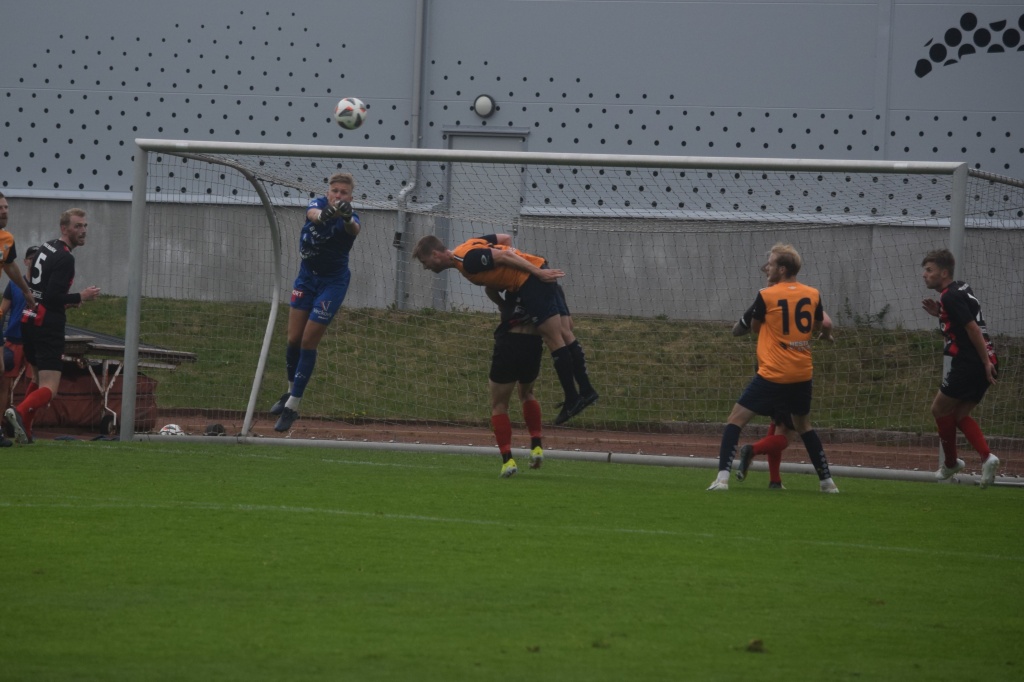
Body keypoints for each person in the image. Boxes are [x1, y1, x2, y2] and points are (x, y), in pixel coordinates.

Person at [413, 233, 598, 425]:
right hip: (537, 271)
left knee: (553, 339)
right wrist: (504, 299)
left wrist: (537, 273)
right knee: (565, 333)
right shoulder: (467, 246)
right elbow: (505, 239)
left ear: (435, 254)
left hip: (533, 280)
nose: (425, 267)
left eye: (424, 262)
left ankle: (573, 398)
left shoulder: (466, 260)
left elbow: (505, 255)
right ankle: (586, 391)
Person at [708, 243, 838, 493]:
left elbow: (754, 329)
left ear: (782, 269)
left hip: (774, 373)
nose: (766, 267)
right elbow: (818, 325)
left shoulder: (767, 295)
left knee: (735, 420)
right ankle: (827, 483)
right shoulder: (813, 293)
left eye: (770, 263)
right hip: (802, 373)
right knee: (803, 426)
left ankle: (722, 479)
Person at [269, 172, 361, 432]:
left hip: (332, 285)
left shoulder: (351, 217)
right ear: (328, 192)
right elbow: (313, 215)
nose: (338, 196)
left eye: (343, 193)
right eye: (335, 191)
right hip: (306, 279)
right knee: (293, 339)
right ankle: (289, 391)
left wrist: (345, 216)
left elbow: (353, 228)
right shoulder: (318, 204)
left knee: (308, 342)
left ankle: (293, 406)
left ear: (350, 197)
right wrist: (325, 215)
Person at [6, 209, 101, 444]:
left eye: (85, 226)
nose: (83, 231)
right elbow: (53, 297)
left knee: (37, 379)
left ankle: (26, 431)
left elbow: (39, 288)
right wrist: (81, 296)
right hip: (47, 325)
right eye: (78, 226)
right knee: (51, 387)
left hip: (29, 319)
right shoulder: (66, 258)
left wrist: (67, 301)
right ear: (64, 228)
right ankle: (19, 411)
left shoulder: (46, 246)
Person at [921, 249, 999, 487]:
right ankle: (987, 457)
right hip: (988, 357)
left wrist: (984, 363)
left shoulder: (949, 297)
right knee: (959, 416)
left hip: (971, 362)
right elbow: (960, 323)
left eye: (929, 270)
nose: (925, 275)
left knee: (939, 409)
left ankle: (951, 463)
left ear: (944, 273)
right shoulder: (961, 288)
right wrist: (940, 314)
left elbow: (972, 328)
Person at [731, 308, 835, 489]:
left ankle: (775, 481)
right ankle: (752, 450)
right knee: (789, 431)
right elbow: (826, 323)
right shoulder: (806, 300)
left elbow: (744, 327)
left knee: (778, 423)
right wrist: (826, 335)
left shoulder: (768, 300)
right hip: (790, 369)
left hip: (766, 366)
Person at [485, 288, 546, 478]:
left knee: (499, 404)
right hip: (533, 344)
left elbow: (489, 286)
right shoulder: (551, 288)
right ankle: (536, 446)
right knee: (527, 393)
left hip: (510, 341)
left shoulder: (512, 277)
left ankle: (507, 460)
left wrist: (502, 304)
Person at [0, 245, 41, 435]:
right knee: (5, 383)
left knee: (34, 382)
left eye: (37, 257)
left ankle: (26, 424)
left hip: (34, 340)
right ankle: (3, 424)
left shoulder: (44, 285)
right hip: (15, 339)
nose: (33, 261)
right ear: (25, 261)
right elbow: (2, 310)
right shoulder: (14, 284)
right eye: (31, 258)